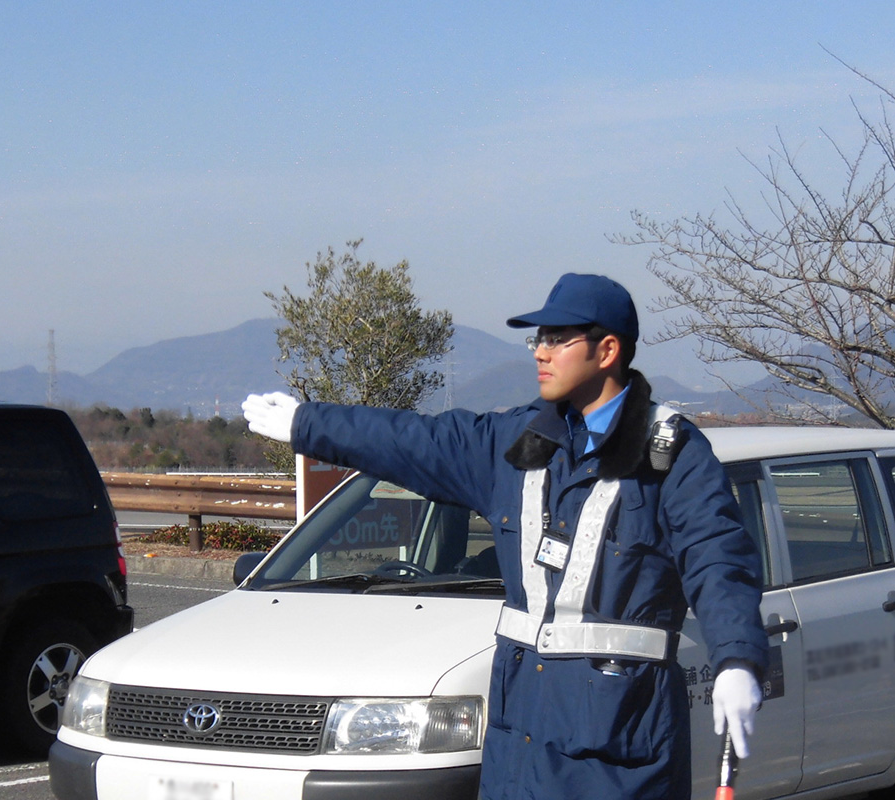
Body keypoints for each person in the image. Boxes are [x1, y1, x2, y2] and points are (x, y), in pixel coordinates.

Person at [242, 273, 768, 800]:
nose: (540, 351)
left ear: (607, 349)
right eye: (537, 338)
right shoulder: (516, 441)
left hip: (617, 748)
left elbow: (718, 561)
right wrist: (309, 424)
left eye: (558, 338)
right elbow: (412, 442)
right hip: (521, 744)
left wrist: (737, 659)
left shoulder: (671, 455)